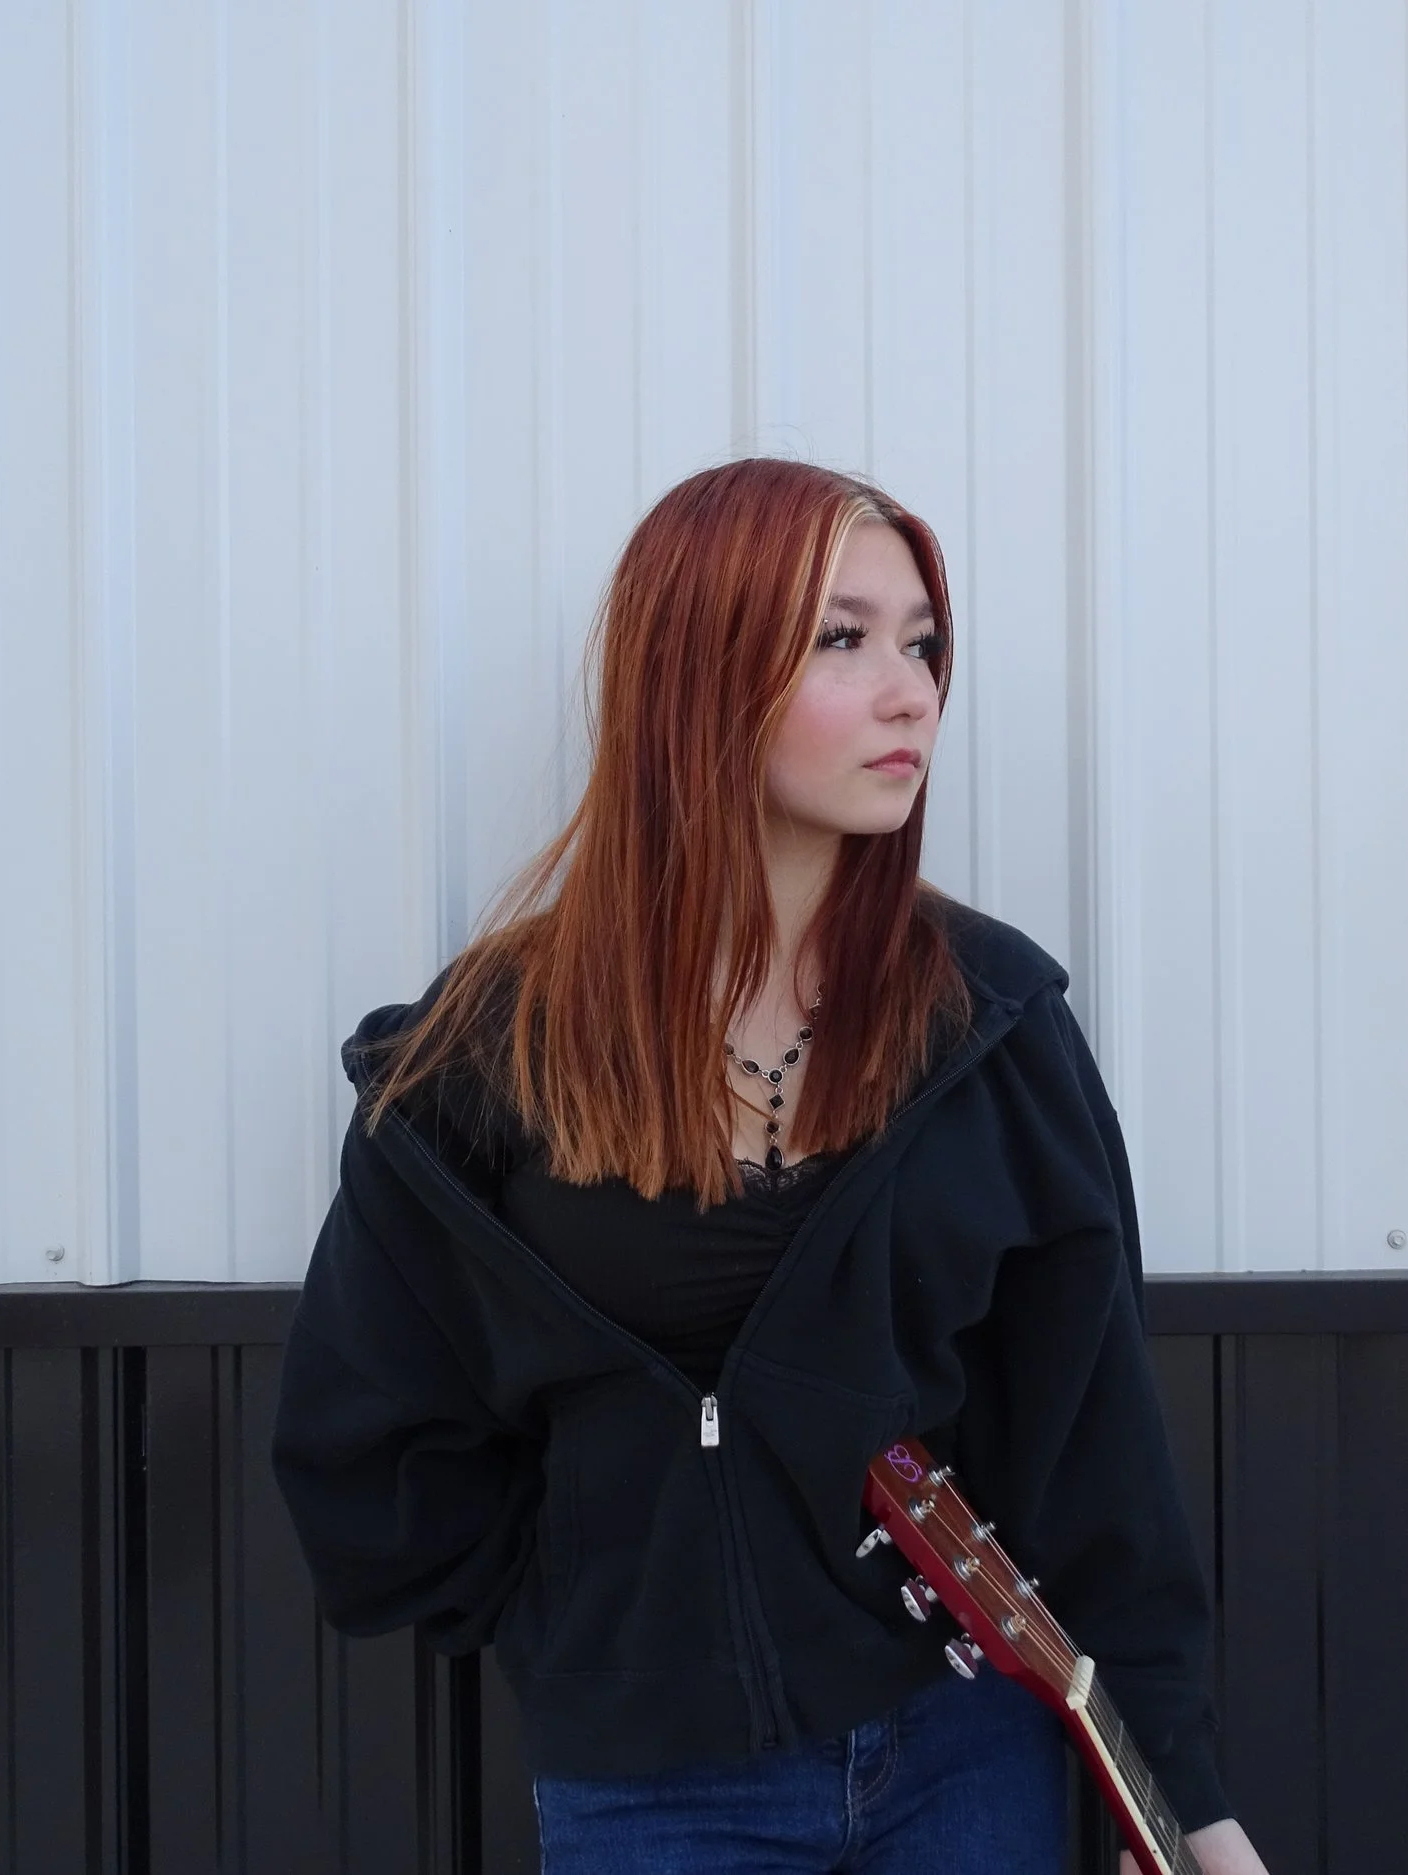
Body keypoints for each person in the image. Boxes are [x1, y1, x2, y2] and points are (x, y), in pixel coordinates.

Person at [271, 458, 1270, 1874]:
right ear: (696, 673)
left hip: (967, 1747)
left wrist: (1178, 1794)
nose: (911, 687)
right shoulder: (491, 1052)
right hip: (656, 1787)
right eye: (844, 638)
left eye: (922, 642)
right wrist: (592, 1623)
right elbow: (363, 1432)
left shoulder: (987, 1023)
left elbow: (1091, 1439)